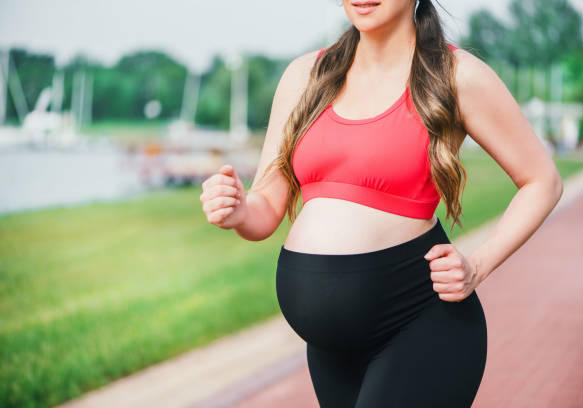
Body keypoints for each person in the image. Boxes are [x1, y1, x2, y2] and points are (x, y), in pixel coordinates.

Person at [199, 0, 564, 406]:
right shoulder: (305, 76)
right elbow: (266, 204)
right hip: (331, 351)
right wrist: (239, 212)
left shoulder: (457, 76)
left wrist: (477, 265)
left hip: (421, 328)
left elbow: (541, 180)